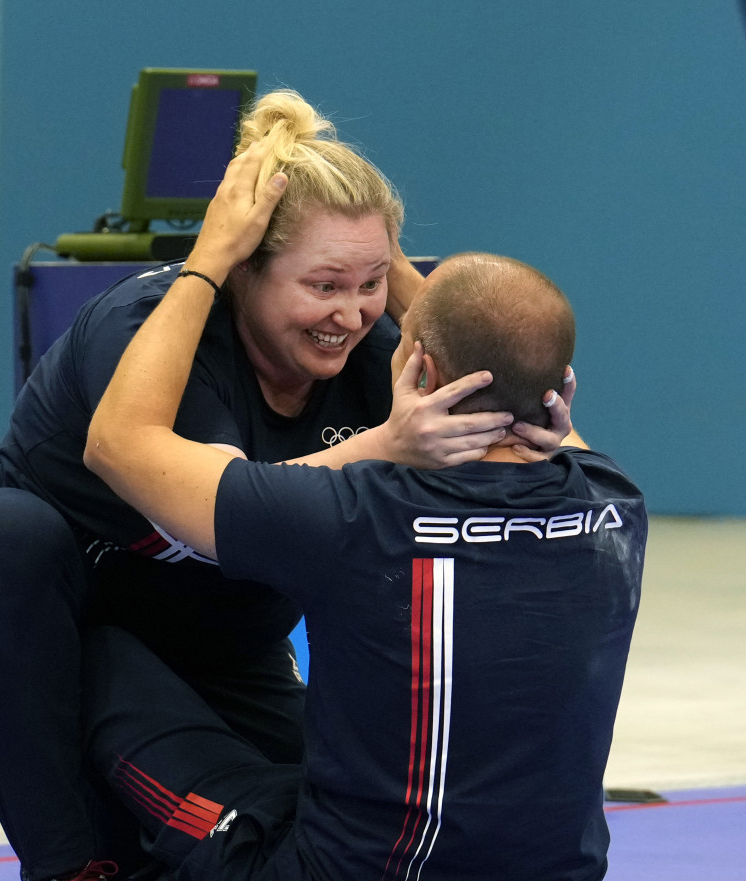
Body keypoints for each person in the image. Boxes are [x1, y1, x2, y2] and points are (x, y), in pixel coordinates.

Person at [0, 90, 546, 881]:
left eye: (371, 284)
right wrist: (384, 444)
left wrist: (433, 320)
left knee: (326, 826)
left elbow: (526, 457)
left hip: (218, 638)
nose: (349, 316)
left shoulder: (382, 351)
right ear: (245, 270)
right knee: (4, 537)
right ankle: (67, 866)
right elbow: (217, 505)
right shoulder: (146, 329)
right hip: (48, 613)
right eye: (323, 286)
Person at [80, 135, 647, 880]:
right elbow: (528, 382)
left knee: (88, 650)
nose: (360, 320)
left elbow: (118, 442)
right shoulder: (617, 504)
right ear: (560, 390)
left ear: (422, 365)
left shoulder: (353, 513)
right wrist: (381, 263)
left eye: (378, 297)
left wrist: (210, 260)